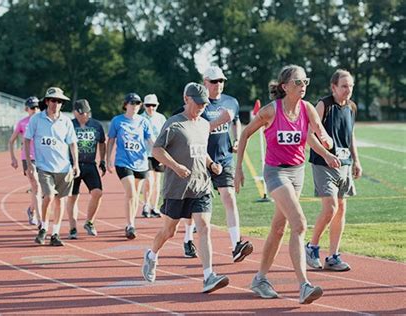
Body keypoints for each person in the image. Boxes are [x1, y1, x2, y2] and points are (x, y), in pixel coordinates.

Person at [234, 65, 340, 304]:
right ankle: (304, 285)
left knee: (279, 228)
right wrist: (238, 167)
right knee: (299, 223)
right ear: (285, 87)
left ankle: (260, 278)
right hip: (275, 173)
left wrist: (326, 148)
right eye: (298, 83)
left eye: (305, 82)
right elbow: (244, 134)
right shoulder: (271, 111)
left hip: (297, 173)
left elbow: (313, 135)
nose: (303, 87)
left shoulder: (308, 108)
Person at [142, 82, 230, 294]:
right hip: (177, 188)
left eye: (204, 104)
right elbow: (156, 150)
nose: (201, 107)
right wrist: (175, 166)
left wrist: (211, 164)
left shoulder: (203, 124)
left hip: (201, 186)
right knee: (169, 231)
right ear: (186, 99)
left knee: (204, 227)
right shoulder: (174, 124)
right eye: (198, 103)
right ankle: (152, 255)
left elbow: (201, 150)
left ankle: (209, 275)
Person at [305, 69, 362, 271]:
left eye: (351, 86)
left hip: (344, 164)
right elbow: (309, 135)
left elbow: (350, 136)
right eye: (344, 86)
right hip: (323, 164)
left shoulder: (351, 108)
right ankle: (312, 247)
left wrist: (356, 161)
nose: (348, 90)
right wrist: (327, 155)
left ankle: (333, 256)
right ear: (334, 87)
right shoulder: (324, 105)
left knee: (341, 209)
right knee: (330, 208)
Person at [197, 65, 253, 263]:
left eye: (221, 81)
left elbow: (236, 120)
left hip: (224, 158)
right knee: (195, 208)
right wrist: (219, 120)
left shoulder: (231, 101)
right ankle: (188, 238)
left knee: (229, 198)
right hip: (201, 160)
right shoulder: (199, 103)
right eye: (214, 81)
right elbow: (197, 132)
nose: (218, 85)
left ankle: (236, 244)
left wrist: (236, 139)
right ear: (205, 82)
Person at [24, 87, 79, 246]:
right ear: (47, 101)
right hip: (44, 166)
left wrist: (75, 164)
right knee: (48, 196)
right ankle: (43, 227)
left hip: (63, 167)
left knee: (60, 200)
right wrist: (29, 163)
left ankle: (55, 233)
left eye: (60, 101)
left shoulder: (66, 121)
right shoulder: (36, 119)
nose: (56, 104)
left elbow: (73, 143)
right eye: (53, 100)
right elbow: (27, 140)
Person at [106, 93, 153, 239]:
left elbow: (151, 140)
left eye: (138, 103)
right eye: (132, 103)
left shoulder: (144, 122)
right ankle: (130, 224)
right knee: (131, 193)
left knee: (134, 195)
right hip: (123, 162)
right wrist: (108, 159)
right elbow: (111, 140)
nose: (135, 106)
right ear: (125, 104)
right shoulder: (117, 121)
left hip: (140, 163)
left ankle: (131, 223)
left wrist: (162, 153)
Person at [66, 99, 106, 239]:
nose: (85, 115)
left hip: (90, 164)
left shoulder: (96, 125)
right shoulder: (69, 125)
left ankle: (89, 221)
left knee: (97, 192)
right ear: (75, 112)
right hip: (72, 165)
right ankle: (72, 227)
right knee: (72, 197)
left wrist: (102, 160)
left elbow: (102, 142)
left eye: (87, 112)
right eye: (82, 113)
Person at [9, 96, 42, 227]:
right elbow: (11, 141)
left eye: (37, 107)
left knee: (39, 189)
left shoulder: (43, 121)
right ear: (26, 109)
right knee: (37, 186)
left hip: (43, 158)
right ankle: (41, 220)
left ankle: (31, 210)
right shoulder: (22, 123)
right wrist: (13, 158)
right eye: (32, 108)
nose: (35, 110)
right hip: (28, 158)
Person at [140, 94, 166, 218]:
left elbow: (166, 135)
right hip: (146, 154)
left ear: (157, 105)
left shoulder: (161, 118)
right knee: (148, 180)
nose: (151, 108)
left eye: (153, 105)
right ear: (144, 106)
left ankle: (154, 207)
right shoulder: (140, 118)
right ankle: (146, 204)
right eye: (148, 105)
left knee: (157, 182)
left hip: (159, 153)